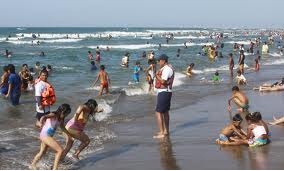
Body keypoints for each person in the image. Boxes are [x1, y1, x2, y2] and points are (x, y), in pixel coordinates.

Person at [30, 104, 72, 170]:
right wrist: (41, 123)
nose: (66, 115)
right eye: (66, 114)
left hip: (46, 136)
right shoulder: (54, 114)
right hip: (45, 135)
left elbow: (63, 128)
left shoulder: (60, 119)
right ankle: (55, 169)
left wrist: (69, 135)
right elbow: (44, 117)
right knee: (60, 150)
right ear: (62, 111)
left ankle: (32, 165)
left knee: (42, 152)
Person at [154, 54, 174, 139]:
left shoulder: (167, 69)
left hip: (164, 92)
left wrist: (156, 75)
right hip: (166, 92)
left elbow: (163, 81)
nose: (158, 62)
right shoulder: (166, 68)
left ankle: (162, 132)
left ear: (163, 61)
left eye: (159, 61)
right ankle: (166, 131)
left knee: (158, 112)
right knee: (165, 112)